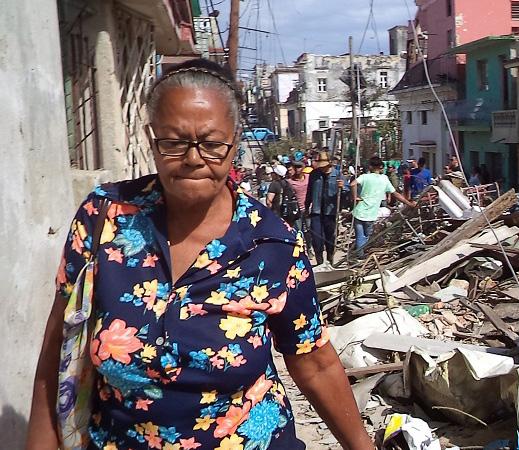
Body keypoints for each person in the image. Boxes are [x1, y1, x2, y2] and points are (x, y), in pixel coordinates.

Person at [27, 59, 371, 450]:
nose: (193, 159)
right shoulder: (104, 218)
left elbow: (314, 361)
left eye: (211, 144)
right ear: (150, 138)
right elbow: (59, 350)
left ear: (235, 141)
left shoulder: (273, 246)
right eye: (173, 143)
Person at [351, 157, 417, 258]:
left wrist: (355, 197)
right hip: (371, 214)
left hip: (359, 211)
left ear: (370, 167)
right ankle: (360, 256)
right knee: (366, 236)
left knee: (360, 236)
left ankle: (358, 256)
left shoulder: (364, 176)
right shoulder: (384, 179)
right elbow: (395, 194)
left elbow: (353, 184)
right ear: (380, 167)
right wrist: (409, 203)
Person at [305, 151, 343, 266]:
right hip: (316, 211)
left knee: (330, 238)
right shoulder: (314, 174)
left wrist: (342, 188)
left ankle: (330, 260)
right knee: (317, 238)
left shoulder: (337, 175)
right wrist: (306, 207)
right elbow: (309, 192)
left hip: (330, 212)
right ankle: (320, 261)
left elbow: (345, 194)